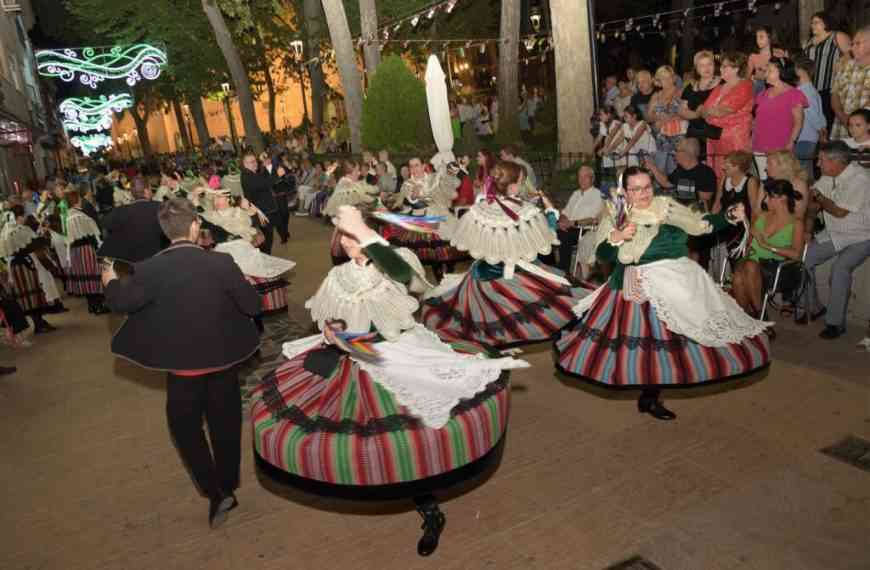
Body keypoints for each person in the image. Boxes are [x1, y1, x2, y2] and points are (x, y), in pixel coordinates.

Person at [248, 205, 527, 556]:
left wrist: (365, 234)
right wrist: (332, 332)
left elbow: (409, 279)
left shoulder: (397, 259)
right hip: (354, 360)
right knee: (365, 442)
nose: (345, 242)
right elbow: (330, 318)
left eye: (352, 235)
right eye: (343, 235)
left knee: (415, 439)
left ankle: (429, 510)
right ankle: (394, 488)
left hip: (399, 354)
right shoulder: (338, 276)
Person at [555, 166, 770, 420]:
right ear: (625, 192)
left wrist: (727, 216)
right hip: (640, 285)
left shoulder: (666, 207)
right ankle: (649, 397)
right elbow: (602, 254)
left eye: (647, 187)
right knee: (647, 346)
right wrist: (617, 237)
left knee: (687, 339)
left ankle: (653, 395)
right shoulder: (617, 214)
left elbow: (700, 224)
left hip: (680, 279)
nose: (644, 193)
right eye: (636, 189)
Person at [103, 198, 260, 529]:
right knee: (226, 426)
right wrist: (245, 285)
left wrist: (110, 281)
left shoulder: (149, 269)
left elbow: (121, 303)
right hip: (224, 362)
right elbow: (252, 306)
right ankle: (228, 485)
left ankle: (214, 490)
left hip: (183, 370)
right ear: (194, 226)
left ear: (165, 231)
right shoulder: (221, 262)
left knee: (185, 431)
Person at [422, 161, 583, 347]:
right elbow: (546, 238)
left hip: (479, 277)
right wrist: (551, 213)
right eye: (521, 182)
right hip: (509, 278)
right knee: (561, 304)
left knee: (478, 319)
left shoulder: (481, 208)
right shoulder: (525, 212)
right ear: (512, 187)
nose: (522, 185)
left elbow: (472, 242)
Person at [799, 141, 870, 339]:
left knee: (840, 269)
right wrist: (808, 230)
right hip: (835, 234)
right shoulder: (828, 176)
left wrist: (819, 198)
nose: (817, 164)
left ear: (836, 161)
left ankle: (835, 323)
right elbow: (813, 206)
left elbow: (839, 212)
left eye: (821, 160)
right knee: (804, 258)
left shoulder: (860, 179)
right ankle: (814, 307)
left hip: (862, 236)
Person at [731, 179, 806, 323]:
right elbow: (749, 242)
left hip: (776, 268)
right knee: (740, 274)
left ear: (783, 198)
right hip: (752, 261)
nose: (765, 200)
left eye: (769, 196)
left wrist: (766, 245)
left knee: (747, 268)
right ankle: (750, 319)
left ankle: (758, 317)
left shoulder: (796, 223)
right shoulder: (762, 216)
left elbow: (797, 255)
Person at [387, 157, 464, 280]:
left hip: (440, 215)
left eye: (416, 165)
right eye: (411, 166)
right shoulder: (407, 184)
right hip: (421, 218)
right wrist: (416, 195)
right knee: (432, 252)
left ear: (423, 166)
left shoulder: (433, 179)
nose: (414, 169)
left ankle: (449, 269)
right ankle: (439, 274)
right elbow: (415, 201)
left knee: (448, 246)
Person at [0, 209, 57, 334]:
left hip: (15, 267)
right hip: (25, 265)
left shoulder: (4, 235)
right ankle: (39, 323)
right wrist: (44, 238)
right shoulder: (21, 230)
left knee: (26, 296)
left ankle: (38, 322)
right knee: (33, 293)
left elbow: (7, 253)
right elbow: (33, 243)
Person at [752, 57, 808, 180]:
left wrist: (791, 142)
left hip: (781, 148)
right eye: (766, 70)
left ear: (782, 72)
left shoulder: (794, 94)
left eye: (770, 70)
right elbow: (756, 120)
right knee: (764, 181)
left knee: (781, 181)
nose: (766, 73)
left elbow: (798, 122)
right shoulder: (763, 94)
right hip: (760, 146)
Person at [701, 52, 754, 181]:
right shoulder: (719, 87)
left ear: (736, 69)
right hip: (715, 137)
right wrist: (711, 111)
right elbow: (703, 111)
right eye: (721, 66)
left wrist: (712, 111)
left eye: (725, 66)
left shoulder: (745, 85)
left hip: (735, 139)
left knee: (736, 175)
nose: (721, 69)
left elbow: (724, 111)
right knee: (718, 175)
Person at [803, 11, 852, 132]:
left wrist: (840, 62)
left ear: (826, 23)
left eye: (816, 22)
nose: (812, 25)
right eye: (812, 23)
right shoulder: (810, 41)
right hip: (811, 89)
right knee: (814, 122)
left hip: (830, 87)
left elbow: (852, 54)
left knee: (828, 119)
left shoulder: (837, 36)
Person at [97, 177, 166, 264]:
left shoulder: (120, 211)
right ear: (146, 191)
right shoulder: (160, 207)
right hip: (156, 260)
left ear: (131, 194)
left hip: (128, 263)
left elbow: (103, 224)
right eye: (151, 189)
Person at [65, 189, 108, 314]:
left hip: (76, 251)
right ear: (76, 200)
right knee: (93, 275)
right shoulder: (79, 215)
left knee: (85, 278)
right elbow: (91, 233)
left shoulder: (69, 215)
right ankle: (98, 305)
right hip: (86, 249)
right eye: (79, 198)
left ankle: (92, 305)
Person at [556, 166, 603, 277]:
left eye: (585, 177)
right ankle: (549, 268)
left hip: (584, 229)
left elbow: (593, 219)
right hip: (569, 226)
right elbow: (565, 212)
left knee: (563, 236)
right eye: (580, 177)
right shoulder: (576, 194)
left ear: (592, 179)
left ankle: (563, 272)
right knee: (549, 231)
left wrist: (572, 223)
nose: (582, 180)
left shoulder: (597, 195)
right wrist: (562, 221)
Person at [679, 51, 721, 163]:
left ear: (714, 65)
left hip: (714, 133)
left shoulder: (723, 83)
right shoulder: (691, 86)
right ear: (697, 69)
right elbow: (681, 111)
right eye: (702, 65)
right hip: (694, 134)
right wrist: (697, 114)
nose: (706, 68)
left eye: (709, 64)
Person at [831, 25, 870, 140]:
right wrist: (844, 118)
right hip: (841, 129)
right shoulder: (845, 66)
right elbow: (834, 94)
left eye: (858, 43)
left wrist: (855, 123)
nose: (853, 48)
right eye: (852, 44)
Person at [647, 65, 686, 175]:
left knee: (679, 170)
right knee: (661, 170)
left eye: (669, 77)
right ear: (659, 81)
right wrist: (658, 117)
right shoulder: (656, 96)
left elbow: (686, 113)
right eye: (663, 78)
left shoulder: (681, 92)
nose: (667, 81)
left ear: (673, 78)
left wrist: (668, 118)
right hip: (662, 137)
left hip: (680, 137)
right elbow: (648, 117)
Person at [793, 56, 828, 177]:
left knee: (801, 172)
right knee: (805, 170)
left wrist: (821, 131)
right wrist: (822, 129)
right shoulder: (811, 90)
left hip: (804, 137)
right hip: (810, 137)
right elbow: (820, 115)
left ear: (800, 71)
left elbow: (812, 114)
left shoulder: (803, 92)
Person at [240, 153, 278, 254]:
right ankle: (265, 258)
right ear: (245, 164)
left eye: (255, 161)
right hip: (262, 212)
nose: (255, 163)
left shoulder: (251, 173)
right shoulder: (248, 176)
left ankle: (265, 257)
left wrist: (266, 165)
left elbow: (263, 178)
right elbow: (267, 182)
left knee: (266, 238)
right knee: (266, 239)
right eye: (251, 162)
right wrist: (276, 173)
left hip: (263, 210)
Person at [748, 26, 789, 95]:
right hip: (760, 86)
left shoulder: (779, 53)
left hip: (775, 84)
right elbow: (747, 75)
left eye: (761, 37)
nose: (758, 40)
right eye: (756, 37)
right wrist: (753, 77)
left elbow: (787, 72)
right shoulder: (753, 56)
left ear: (769, 38)